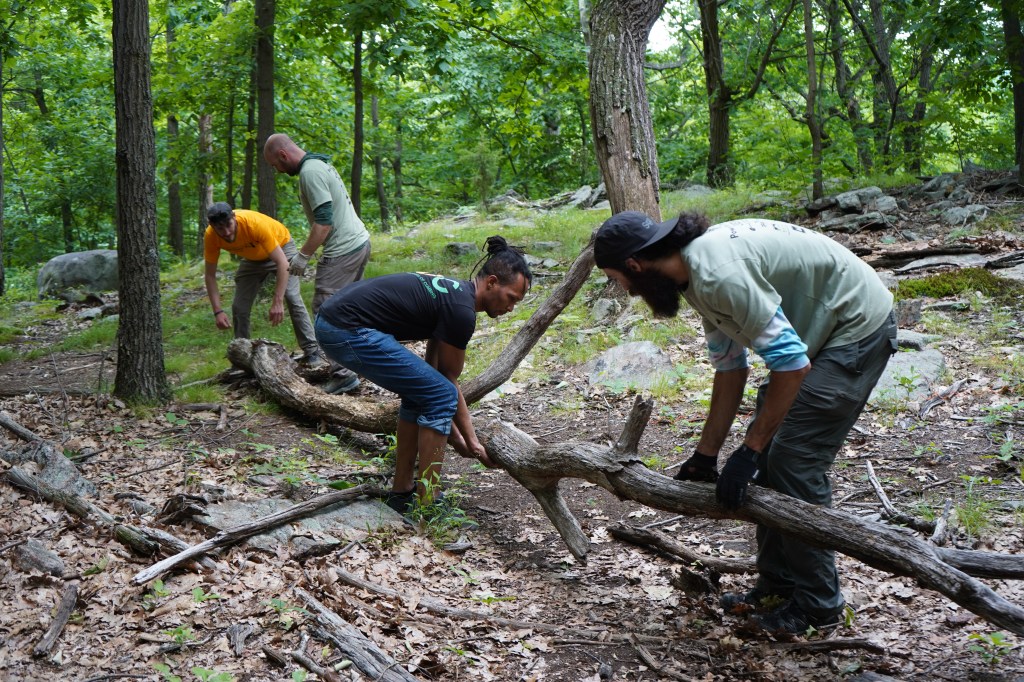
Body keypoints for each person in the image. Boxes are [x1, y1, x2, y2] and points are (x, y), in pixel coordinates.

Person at [593, 210, 896, 635]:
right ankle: (778, 584)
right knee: (771, 457)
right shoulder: (692, 275)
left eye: (618, 280)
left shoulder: (718, 273)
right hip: (819, 331)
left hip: (856, 326)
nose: (626, 292)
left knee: (792, 460)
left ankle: (818, 606)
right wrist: (706, 455)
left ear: (634, 265)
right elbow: (730, 368)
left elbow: (791, 364)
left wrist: (749, 451)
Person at [314, 236, 532, 517]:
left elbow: (435, 375)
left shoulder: (455, 296)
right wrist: (472, 444)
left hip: (333, 322)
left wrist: (462, 439)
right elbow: (448, 384)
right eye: (511, 298)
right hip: (344, 328)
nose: (511, 308)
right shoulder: (462, 311)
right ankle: (429, 502)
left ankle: (401, 493)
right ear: (491, 282)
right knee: (439, 393)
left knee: (422, 393)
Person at [263, 132, 371, 393]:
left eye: (276, 165)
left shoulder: (310, 172)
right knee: (350, 308)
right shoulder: (319, 164)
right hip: (359, 242)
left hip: (343, 250)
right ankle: (362, 362)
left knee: (326, 311)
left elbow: (323, 223)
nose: (277, 171)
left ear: (283, 155)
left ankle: (343, 374)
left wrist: (302, 256)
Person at [203, 202, 324, 368]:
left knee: (291, 295)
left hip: (282, 248)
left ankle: (312, 350)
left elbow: (282, 263)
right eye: (220, 228)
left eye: (228, 225)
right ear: (212, 226)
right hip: (253, 259)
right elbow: (210, 275)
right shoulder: (211, 236)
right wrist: (217, 311)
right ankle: (242, 357)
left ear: (234, 218)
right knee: (239, 307)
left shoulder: (253, 225)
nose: (226, 232)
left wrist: (277, 301)